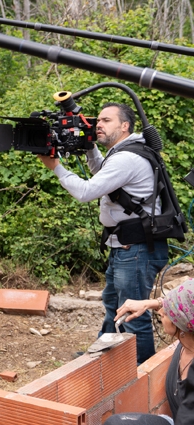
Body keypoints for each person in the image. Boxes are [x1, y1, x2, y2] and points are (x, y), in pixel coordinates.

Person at [38, 103, 169, 364]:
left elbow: (87, 192)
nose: (99, 124)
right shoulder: (123, 152)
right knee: (113, 304)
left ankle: (140, 372)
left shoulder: (126, 158)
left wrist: (56, 167)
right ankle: (102, 358)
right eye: (97, 120)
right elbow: (104, 174)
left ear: (124, 126)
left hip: (135, 249)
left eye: (106, 120)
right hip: (125, 246)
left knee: (133, 314)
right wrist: (89, 146)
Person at [105, 280, 194, 425]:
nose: (161, 311)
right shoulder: (187, 340)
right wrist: (149, 303)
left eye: (169, 310)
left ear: (183, 323)